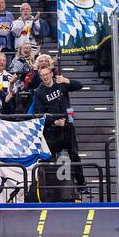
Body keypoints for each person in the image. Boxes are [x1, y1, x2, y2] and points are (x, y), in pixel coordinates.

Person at [28, 65, 84, 193]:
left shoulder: (61, 83)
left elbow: (80, 85)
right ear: (40, 77)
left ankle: (81, 184)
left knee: (74, 155)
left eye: (47, 74)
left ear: (51, 73)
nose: (45, 77)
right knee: (49, 159)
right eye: (42, 75)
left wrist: (67, 80)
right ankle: (50, 189)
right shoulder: (39, 92)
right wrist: (53, 121)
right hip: (51, 130)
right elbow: (39, 114)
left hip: (67, 125)